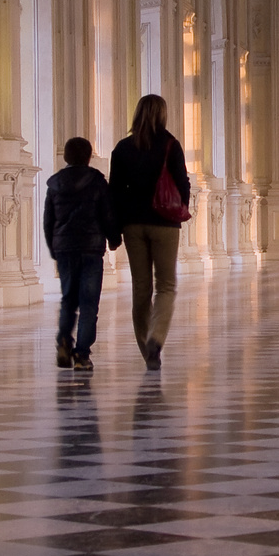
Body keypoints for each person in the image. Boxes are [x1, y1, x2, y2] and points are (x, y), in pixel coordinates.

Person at [110, 95, 190, 370]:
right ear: (162, 115)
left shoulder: (122, 148)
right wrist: (181, 207)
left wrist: (115, 228)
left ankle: (147, 351)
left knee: (141, 288)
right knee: (166, 285)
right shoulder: (170, 145)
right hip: (164, 222)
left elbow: (115, 192)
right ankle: (156, 338)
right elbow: (182, 182)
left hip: (133, 223)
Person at [43, 137, 118, 372]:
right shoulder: (97, 181)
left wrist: (54, 248)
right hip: (91, 248)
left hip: (65, 249)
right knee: (89, 303)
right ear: (88, 157)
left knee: (68, 299)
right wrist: (114, 238)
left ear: (65, 157)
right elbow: (107, 213)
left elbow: (48, 221)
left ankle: (64, 340)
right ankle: (82, 354)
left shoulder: (55, 184)